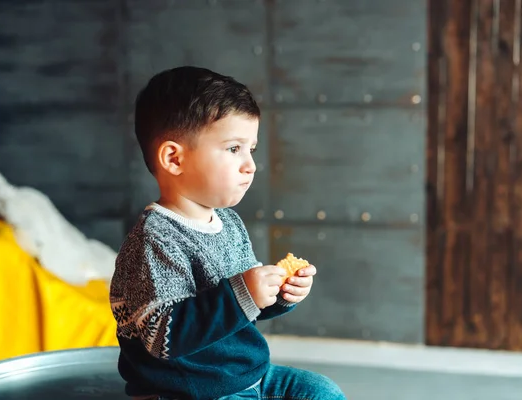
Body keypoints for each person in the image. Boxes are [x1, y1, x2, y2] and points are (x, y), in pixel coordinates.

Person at [109, 66, 347, 400]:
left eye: (251, 148)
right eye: (234, 149)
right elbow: (161, 335)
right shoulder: (154, 240)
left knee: (322, 392)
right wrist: (242, 293)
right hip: (187, 389)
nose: (250, 164)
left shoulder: (229, 223)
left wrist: (279, 293)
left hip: (245, 376)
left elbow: (242, 308)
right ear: (174, 159)